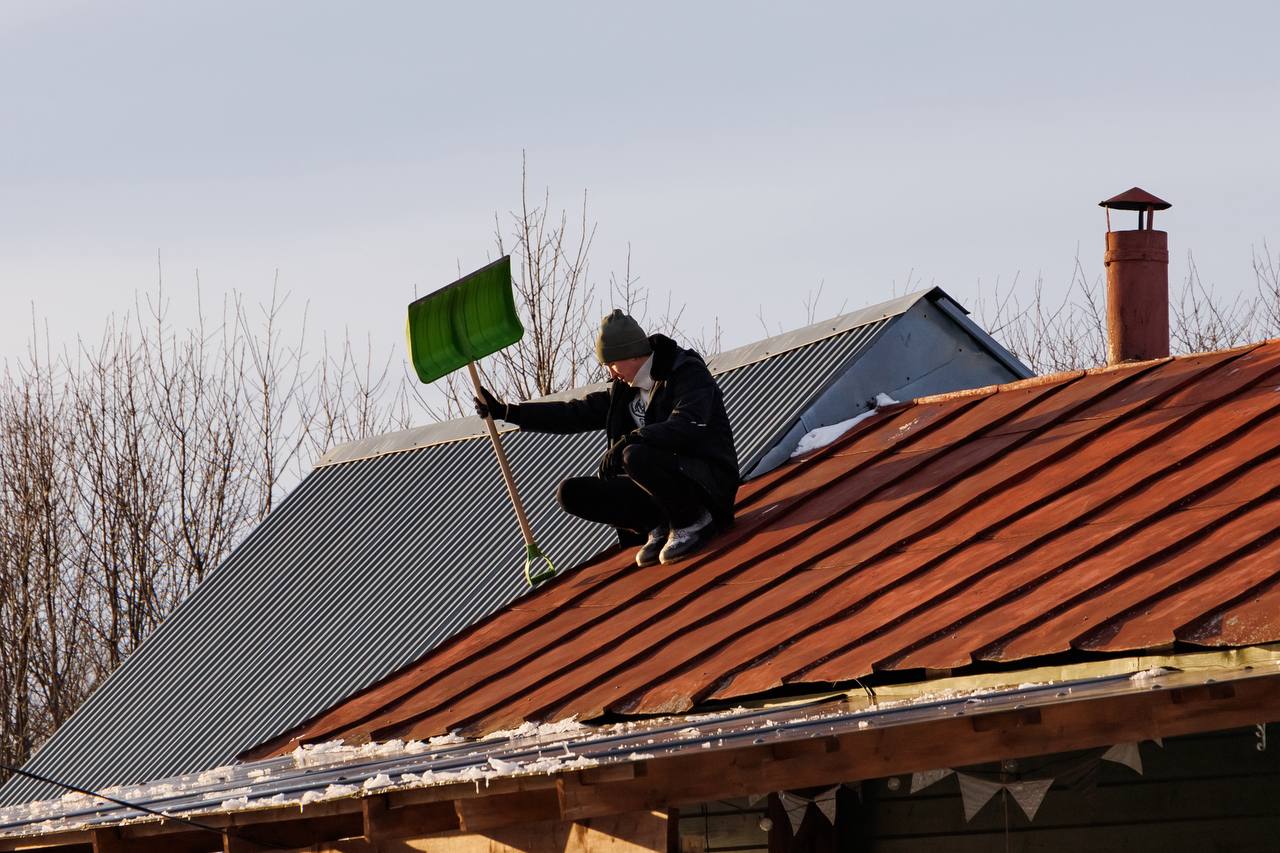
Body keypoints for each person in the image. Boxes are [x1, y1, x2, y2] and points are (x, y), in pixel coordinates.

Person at [474, 309, 738, 567]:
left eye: (611, 363)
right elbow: (573, 413)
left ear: (631, 355)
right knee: (571, 493)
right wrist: (507, 412)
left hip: (706, 482)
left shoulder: (685, 373)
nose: (611, 373)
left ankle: (692, 521)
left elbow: (687, 424)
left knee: (633, 455)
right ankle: (658, 524)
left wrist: (633, 439)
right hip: (660, 487)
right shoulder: (625, 392)